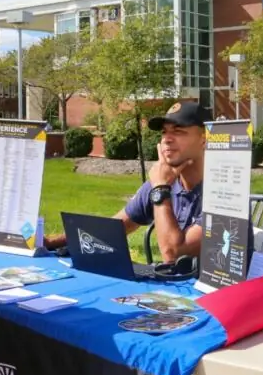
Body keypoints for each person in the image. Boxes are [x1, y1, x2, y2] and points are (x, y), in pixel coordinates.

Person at [44, 102, 209, 263]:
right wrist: (52, 242)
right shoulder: (163, 182)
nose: (167, 139)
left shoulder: (219, 192)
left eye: (178, 131)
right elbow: (115, 228)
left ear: (204, 139)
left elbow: (173, 255)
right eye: (164, 132)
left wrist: (160, 190)